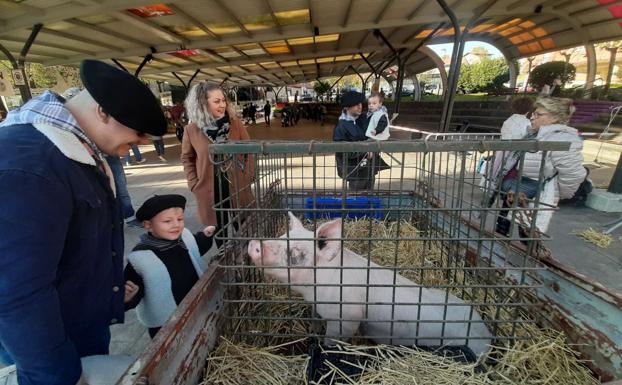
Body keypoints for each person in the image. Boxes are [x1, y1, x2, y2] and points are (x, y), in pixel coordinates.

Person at [0, 59, 167, 384]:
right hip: (51, 351)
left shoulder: (74, 150)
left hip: (76, 326)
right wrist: (57, 375)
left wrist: (107, 290)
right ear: (103, 112)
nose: (142, 143)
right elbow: (17, 291)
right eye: (137, 132)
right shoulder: (31, 167)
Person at [123, 194, 215, 338]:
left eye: (180, 219)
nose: (176, 225)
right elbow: (133, 287)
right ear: (148, 225)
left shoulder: (184, 237)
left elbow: (196, 247)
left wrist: (205, 236)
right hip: (165, 323)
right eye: (167, 221)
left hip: (195, 304)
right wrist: (127, 298)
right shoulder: (140, 258)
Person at [495, 97, 587, 237]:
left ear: (554, 118)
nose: (532, 117)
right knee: (504, 223)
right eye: (533, 113)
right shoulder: (534, 134)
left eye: (538, 115)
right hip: (520, 186)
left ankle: (528, 253)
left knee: (528, 230)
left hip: (536, 191)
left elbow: (573, 174)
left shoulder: (563, 139)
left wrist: (555, 192)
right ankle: (500, 242)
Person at [181, 82, 255, 243]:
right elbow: (187, 158)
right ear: (202, 103)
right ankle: (226, 264)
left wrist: (248, 175)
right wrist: (194, 183)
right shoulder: (192, 130)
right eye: (216, 101)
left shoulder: (235, 123)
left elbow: (249, 149)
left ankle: (248, 265)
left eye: (223, 100)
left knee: (245, 231)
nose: (222, 105)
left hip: (237, 185)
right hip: (209, 190)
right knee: (219, 234)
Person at [333, 90, 376, 190]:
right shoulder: (341, 127)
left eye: (360, 103)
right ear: (347, 106)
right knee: (357, 199)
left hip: (369, 167)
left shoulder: (363, 118)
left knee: (369, 196)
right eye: (356, 104)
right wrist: (365, 152)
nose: (360, 106)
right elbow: (342, 151)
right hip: (355, 171)